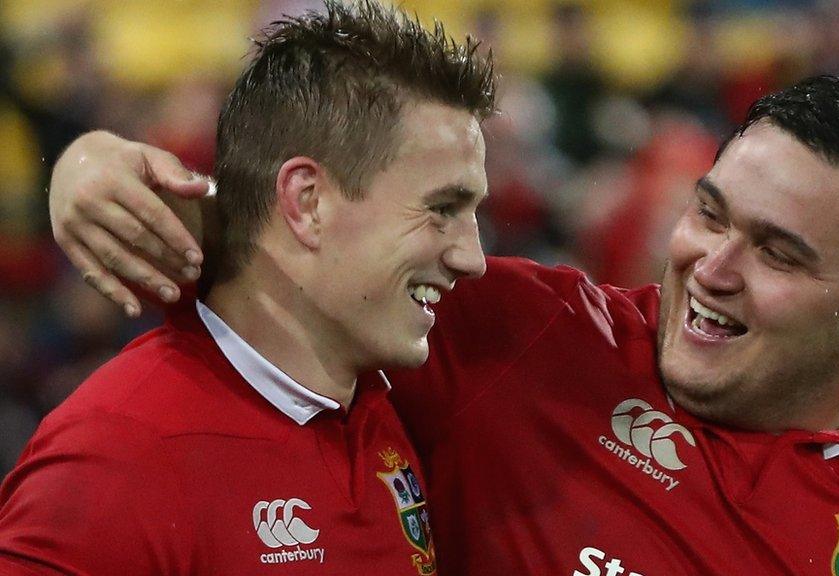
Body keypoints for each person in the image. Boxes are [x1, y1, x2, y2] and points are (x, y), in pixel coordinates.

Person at [45, 74, 839, 573]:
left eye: (778, 254)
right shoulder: (527, 340)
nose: (710, 269)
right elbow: (303, 248)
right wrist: (98, 167)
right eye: (710, 214)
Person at [0, 1, 495, 574]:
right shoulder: (117, 459)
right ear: (307, 202)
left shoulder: (398, 401)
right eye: (442, 208)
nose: (474, 258)